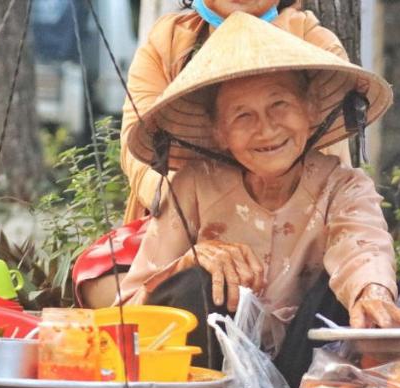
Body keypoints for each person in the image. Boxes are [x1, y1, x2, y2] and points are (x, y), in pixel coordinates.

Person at [109, 13, 400, 388]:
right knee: (193, 283)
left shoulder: (342, 186)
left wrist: (371, 290)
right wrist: (192, 260)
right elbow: (130, 310)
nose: (267, 129)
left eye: (280, 105)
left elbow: (362, 246)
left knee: (357, 294)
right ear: (219, 133)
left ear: (310, 111)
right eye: (243, 116)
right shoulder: (192, 186)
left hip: (304, 381)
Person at [119, 0, 351, 224]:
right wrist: (198, 218)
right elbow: (140, 158)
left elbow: (325, 171)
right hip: (179, 230)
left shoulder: (314, 44)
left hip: (294, 233)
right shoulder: (166, 45)